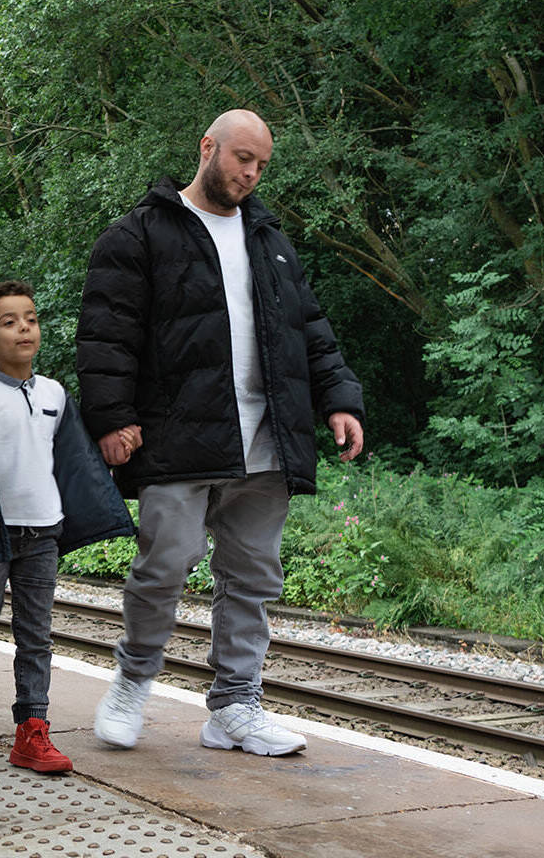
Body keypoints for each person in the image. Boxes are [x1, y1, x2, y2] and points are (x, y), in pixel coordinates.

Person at [76, 109, 365, 757]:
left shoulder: (270, 240)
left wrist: (341, 399)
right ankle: (132, 677)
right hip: (178, 437)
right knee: (166, 563)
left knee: (254, 575)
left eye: (261, 164)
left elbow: (310, 331)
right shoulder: (139, 234)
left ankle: (235, 704)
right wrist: (113, 417)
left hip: (265, 439)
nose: (250, 173)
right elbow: (106, 336)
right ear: (207, 146)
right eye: (241, 158)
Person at [0, 280, 133, 773]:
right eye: (9, 321)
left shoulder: (55, 395)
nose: (24, 328)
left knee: (36, 635)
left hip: (43, 532)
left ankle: (32, 731)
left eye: (31, 318)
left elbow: (74, 463)